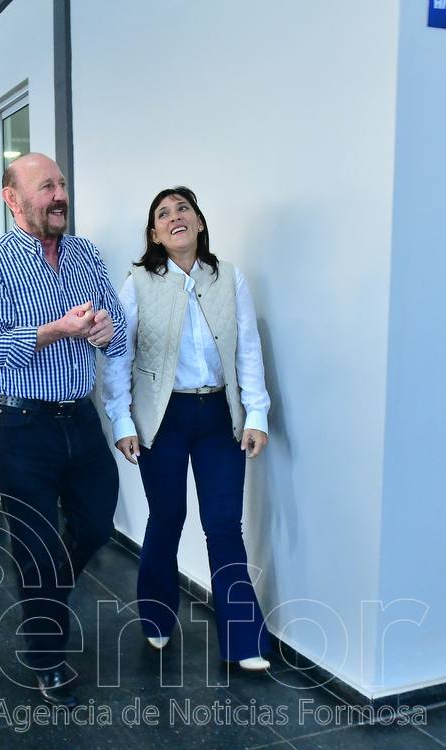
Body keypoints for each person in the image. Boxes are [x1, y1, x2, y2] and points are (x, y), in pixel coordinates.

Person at [0, 153, 126, 707]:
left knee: (96, 523)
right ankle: (46, 656)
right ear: (12, 199)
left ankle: (46, 595)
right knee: (35, 545)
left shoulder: (85, 253)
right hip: (21, 424)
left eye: (60, 184)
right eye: (45, 187)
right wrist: (57, 329)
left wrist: (105, 329)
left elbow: (117, 328)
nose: (59, 195)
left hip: (80, 417)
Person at [103, 187, 273, 671]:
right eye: (163, 213)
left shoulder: (229, 278)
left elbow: (247, 348)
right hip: (164, 419)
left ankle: (244, 639)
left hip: (219, 416)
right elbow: (118, 355)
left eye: (183, 209)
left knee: (224, 524)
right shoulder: (137, 283)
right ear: (154, 234)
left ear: (199, 222)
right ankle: (156, 615)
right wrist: (121, 419)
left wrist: (256, 414)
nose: (175, 217)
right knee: (167, 517)